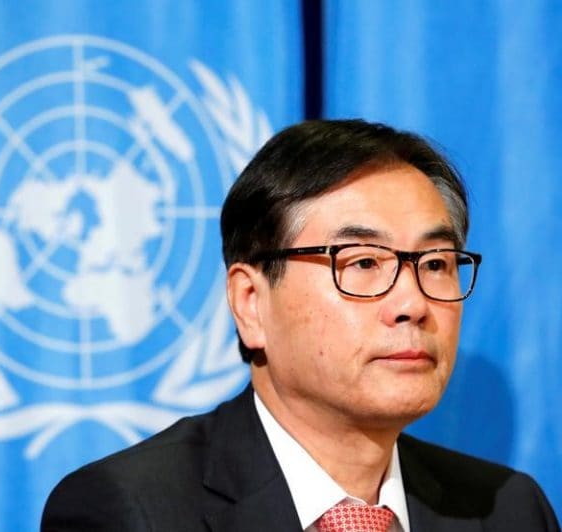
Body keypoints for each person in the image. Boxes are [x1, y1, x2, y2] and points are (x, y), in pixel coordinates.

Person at [41, 119, 560, 531]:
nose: (413, 303)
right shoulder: (130, 511)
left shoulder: (510, 510)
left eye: (436, 263)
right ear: (251, 303)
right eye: (363, 262)